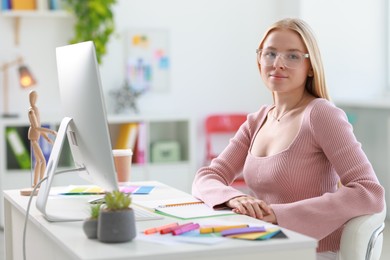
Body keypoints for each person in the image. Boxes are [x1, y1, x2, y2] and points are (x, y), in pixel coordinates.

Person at [192, 18, 385, 259]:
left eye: (292, 56)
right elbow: (207, 176)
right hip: (267, 245)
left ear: (311, 66)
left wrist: (277, 214)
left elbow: (369, 192)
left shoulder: (321, 114)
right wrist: (234, 197)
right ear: (259, 60)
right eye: (270, 53)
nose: (278, 64)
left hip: (312, 251)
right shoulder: (257, 120)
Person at [28, 90, 57, 187]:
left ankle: (35, 183)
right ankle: (40, 182)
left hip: (36, 137)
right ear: (30, 99)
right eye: (33, 97)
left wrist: (46, 137)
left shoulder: (36, 109)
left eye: (36, 97)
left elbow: (39, 126)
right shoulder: (31, 111)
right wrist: (50, 131)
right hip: (33, 139)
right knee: (43, 161)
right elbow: (36, 127)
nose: (34, 99)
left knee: (38, 162)